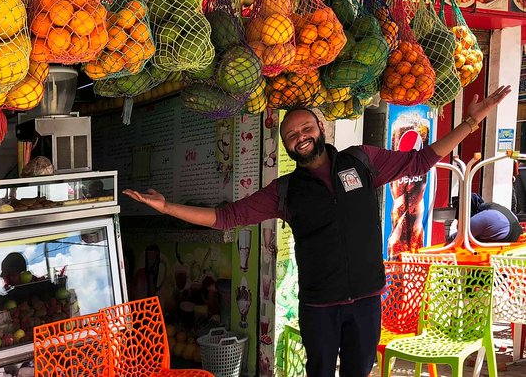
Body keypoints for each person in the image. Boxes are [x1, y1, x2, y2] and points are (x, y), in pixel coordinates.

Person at [123, 86, 510, 377]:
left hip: (365, 301)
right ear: (287, 145)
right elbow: (226, 217)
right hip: (319, 308)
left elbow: (421, 159)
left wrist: (472, 121)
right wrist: (167, 207)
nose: (300, 136)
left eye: (306, 127)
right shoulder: (284, 191)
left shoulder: (362, 160)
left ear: (321, 128)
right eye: (291, 135)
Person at [449, 193, 523, 242]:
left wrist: (459, 222)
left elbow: (456, 240)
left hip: (501, 250)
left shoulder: (481, 218)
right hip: (514, 245)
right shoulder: (496, 208)